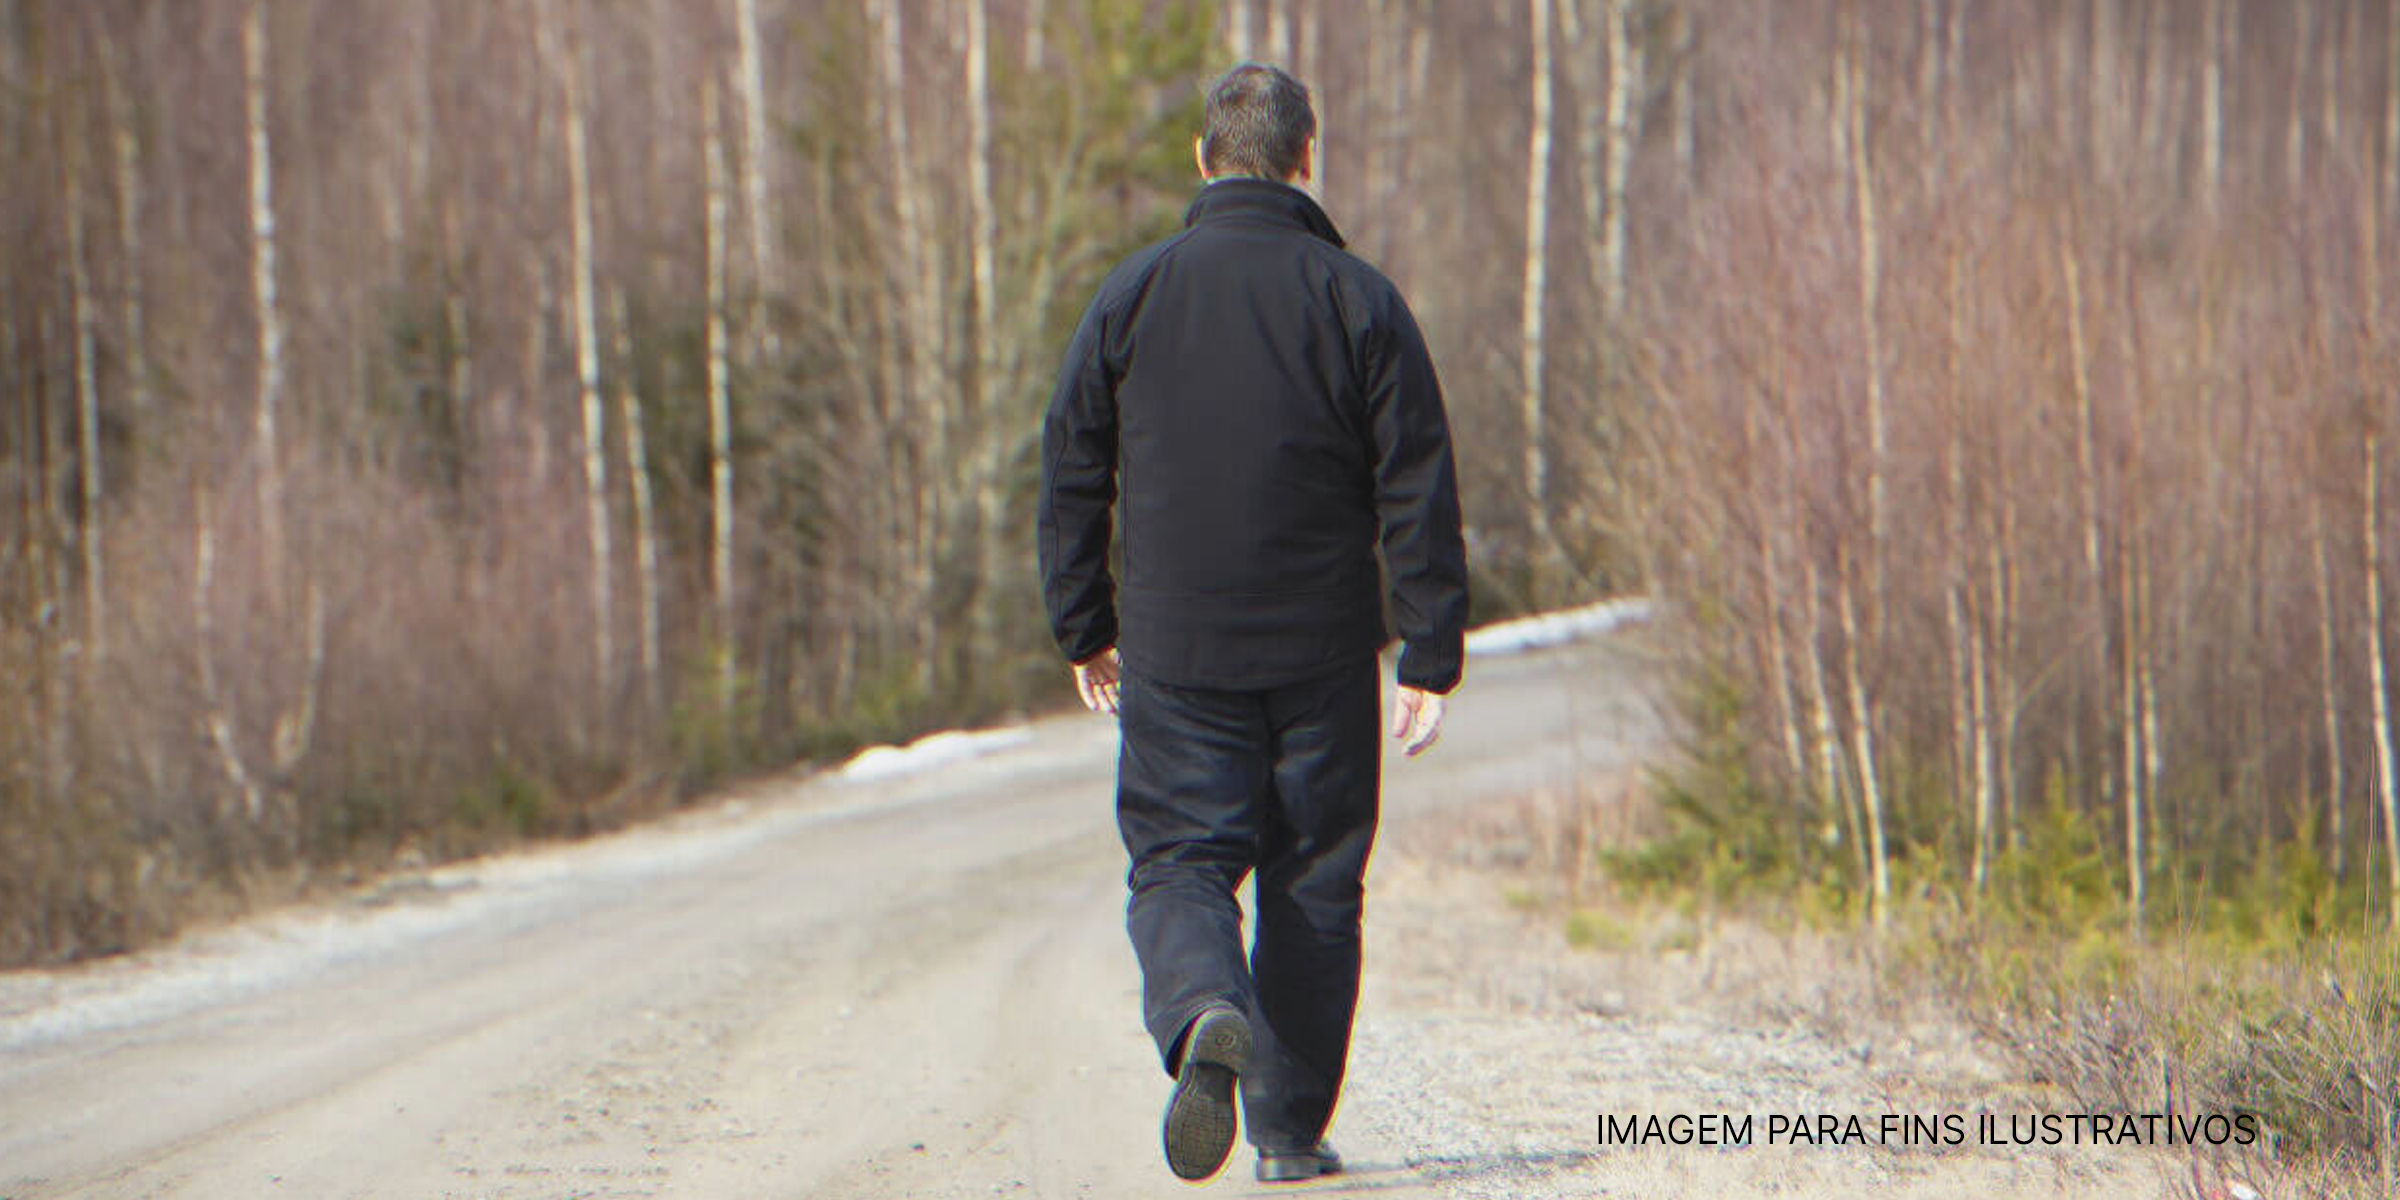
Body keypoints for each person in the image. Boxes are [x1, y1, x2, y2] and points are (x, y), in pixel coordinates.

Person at [1036, 61, 1470, 1184]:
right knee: (1315, 882)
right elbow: (1416, 479)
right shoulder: (1357, 297)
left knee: (1181, 862)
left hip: (1177, 653)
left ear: (1204, 161)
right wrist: (1429, 650)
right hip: (1325, 654)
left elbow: (1073, 462)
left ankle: (1200, 1014)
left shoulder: (1134, 294)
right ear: (1306, 157)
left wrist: (1084, 623)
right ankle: (1287, 1135)